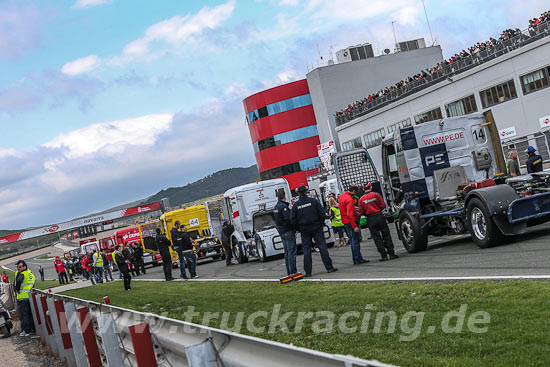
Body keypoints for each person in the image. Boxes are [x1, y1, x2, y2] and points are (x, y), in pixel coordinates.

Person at [290, 184, 338, 277]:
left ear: (298, 193)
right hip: (316, 227)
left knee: (307, 250)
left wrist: (299, 228)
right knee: (322, 247)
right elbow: (322, 214)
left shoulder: (296, 205)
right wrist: (320, 224)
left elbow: (293, 220)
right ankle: (329, 267)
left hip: (304, 230)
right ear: (306, 192)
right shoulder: (314, 201)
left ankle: (308, 272)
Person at [359, 183, 398, 261]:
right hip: (380, 216)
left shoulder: (361, 199)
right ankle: (391, 254)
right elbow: (383, 205)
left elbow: (361, 212)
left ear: (363, 189)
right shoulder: (376, 195)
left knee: (376, 237)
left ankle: (383, 255)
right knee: (386, 235)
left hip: (370, 219)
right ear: (371, 187)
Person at [339, 185, 368, 265]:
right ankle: (358, 259)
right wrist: (354, 226)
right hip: (351, 221)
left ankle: (356, 258)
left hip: (345, 221)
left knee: (352, 241)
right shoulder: (350, 199)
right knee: (355, 241)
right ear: (354, 191)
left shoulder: (342, 196)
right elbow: (349, 214)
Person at [274, 188, 297, 276]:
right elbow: (288, 219)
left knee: (287, 252)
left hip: (281, 231)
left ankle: (289, 271)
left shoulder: (276, 207)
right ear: (284, 196)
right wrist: (294, 227)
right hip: (287, 230)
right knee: (291, 252)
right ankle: (293, 272)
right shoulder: (283, 207)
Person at [14, 260, 35, 336]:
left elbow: (18, 282)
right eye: (17, 267)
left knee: (23, 315)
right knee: (28, 314)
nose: (18, 268)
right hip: (28, 296)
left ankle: (26, 331)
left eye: (19, 267)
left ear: (24, 266)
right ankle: (29, 329)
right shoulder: (30, 273)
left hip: (22, 297)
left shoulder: (22, 274)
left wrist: (17, 290)